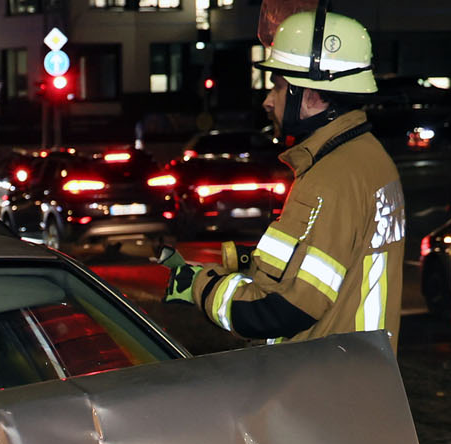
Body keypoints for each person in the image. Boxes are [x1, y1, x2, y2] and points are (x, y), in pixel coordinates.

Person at [163, 4, 405, 349]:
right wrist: (247, 259)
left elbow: (279, 309)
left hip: (320, 374)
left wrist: (198, 285)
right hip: (358, 367)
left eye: (277, 87)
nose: (267, 101)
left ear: (311, 95)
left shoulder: (329, 178)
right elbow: (336, 258)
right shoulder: (370, 160)